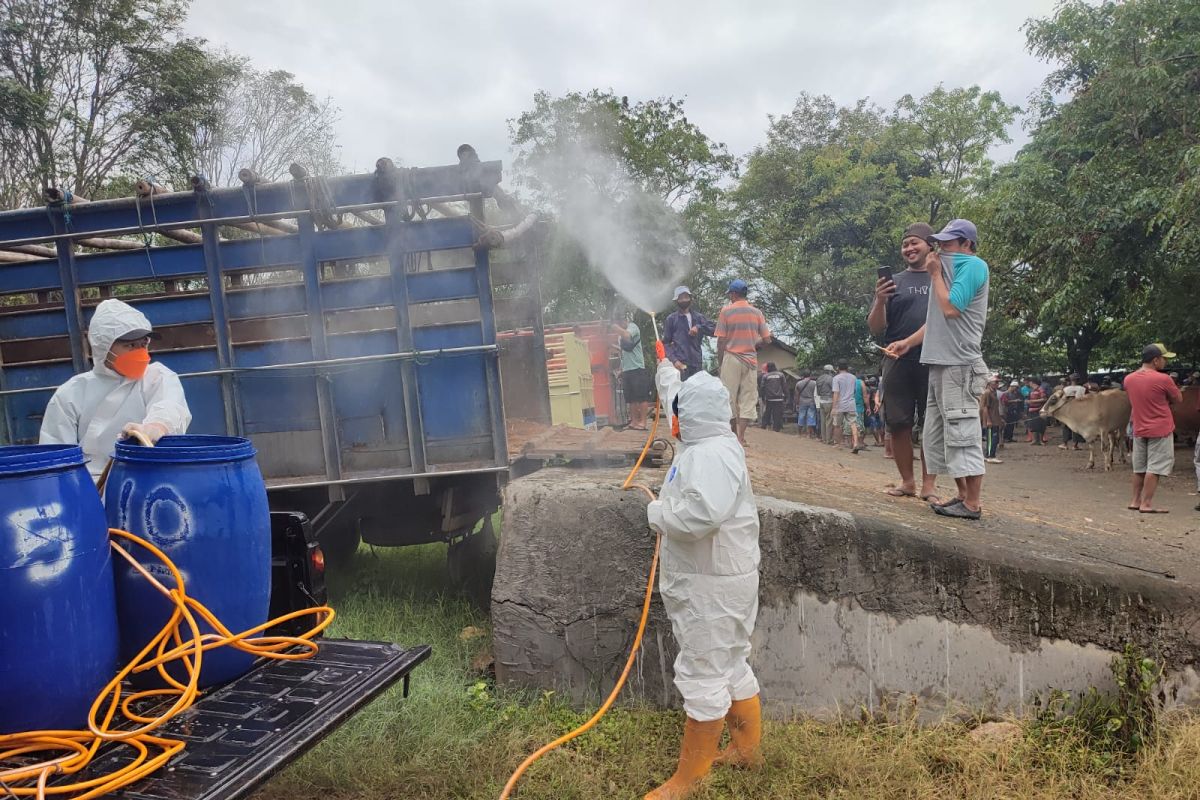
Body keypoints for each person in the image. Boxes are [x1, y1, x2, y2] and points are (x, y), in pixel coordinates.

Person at [645, 357, 762, 799]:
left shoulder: (708, 456)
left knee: (702, 671)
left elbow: (699, 515)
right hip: (721, 576)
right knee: (730, 662)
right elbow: (678, 398)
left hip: (710, 584)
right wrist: (665, 370)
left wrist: (658, 512)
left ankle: (689, 781)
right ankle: (747, 752)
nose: (671, 418)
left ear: (686, 418)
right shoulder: (714, 440)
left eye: (676, 412)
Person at [884, 219, 990, 520]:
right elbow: (936, 322)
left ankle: (972, 503)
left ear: (966, 245)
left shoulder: (973, 266)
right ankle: (961, 495)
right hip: (939, 362)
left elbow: (951, 309)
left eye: (948, 244)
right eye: (939, 244)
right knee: (940, 434)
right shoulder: (949, 270)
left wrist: (934, 274)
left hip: (959, 362)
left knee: (962, 431)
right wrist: (907, 341)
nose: (941, 250)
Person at [40, 298, 191, 481]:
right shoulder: (72, 392)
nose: (140, 352)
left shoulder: (157, 377)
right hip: (87, 486)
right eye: (129, 345)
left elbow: (170, 407)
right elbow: (56, 455)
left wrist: (155, 427)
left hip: (147, 478)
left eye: (143, 344)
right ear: (104, 347)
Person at [869, 222, 937, 500]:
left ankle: (929, 486)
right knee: (898, 422)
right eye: (905, 244)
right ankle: (907, 482)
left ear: (929, 245)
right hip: (896, 359)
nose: (909, 248)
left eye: (914, 243)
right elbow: (875, 328)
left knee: (932, 424)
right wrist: (880, 301)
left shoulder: (940, 278)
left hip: (934, 358)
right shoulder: (894, 281)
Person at [1125, 343, 1183, 514]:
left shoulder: (1129, 379)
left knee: (1139, 467)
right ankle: (1147, 504)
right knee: (1155, 468)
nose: (1165, 362)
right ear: (1156, 360)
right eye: (1164, 359)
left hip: (1139, 428)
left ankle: (1135, 501)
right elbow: (1178, 399)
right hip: (1160, 429)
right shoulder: (1164, 379)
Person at [715, 279, 771, 446]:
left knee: (728, 396)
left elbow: (721, 340)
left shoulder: (726, 311)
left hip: (731, 357)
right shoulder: (756, 313)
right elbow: (767, 339)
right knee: (748, 397)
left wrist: (720, 360)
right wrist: (753, 343)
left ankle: (732, 434)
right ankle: (741, 437)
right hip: (750, 360)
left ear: (733, 294)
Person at [661, 286, 715, 382]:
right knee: (681, 394)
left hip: (696, 363)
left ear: (690, 299)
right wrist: (675, 360)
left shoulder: (699, 317)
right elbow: (666, 343)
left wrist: (699, 327)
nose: (684, 300)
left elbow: (715, 330)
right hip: (681, 365)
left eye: (686, 297)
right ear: (676, 301)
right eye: (681, 298)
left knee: (697, 393)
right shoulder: (671, 319)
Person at [613, 312, 651, 430]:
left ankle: (643, 422)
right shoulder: (620, 335)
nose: (620, 323)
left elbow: (627, 336)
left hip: (637, 368)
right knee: (631, 398)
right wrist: (621, 369)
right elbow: (622, 353)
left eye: (621, 320)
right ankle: (634, 421)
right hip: (627, 370)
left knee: (642, 397)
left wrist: (616, 328)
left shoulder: (632, 327)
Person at [830, 361, 861, 453]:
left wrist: (834, 407)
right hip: (851, 403)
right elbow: (854, 390)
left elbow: (836, 393)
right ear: (847, 368)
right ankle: (855, 443)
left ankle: (838, 444)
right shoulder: (853, 377)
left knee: (837, 425)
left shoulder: (836, 378)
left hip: (840, 405)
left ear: (838, 368)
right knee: (853, 423)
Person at [1058, 374, 1087, 450]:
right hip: (1078, 409)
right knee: (1076, 427)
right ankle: (1075, 445)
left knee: (1065, 426)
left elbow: (1063, 399)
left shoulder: (1065, 389)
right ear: (1078, 380)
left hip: (1068, 409)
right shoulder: (1083, 388)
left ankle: (1065, 444)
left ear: (1070, 380)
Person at [980, 374, 1004, 464]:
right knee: (992, 438)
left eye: (998, 382)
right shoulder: (987, 393)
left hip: (995, 419)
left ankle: (988, 455)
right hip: (990, 420)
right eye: (996, 382)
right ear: (990, 383)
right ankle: (991, 456)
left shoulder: (994, 392)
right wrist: (988, 420)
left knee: (995, 438)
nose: (997, 384)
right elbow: (985, 408)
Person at [759, 362, 786, 433]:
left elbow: (762, 387)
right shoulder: (781, 375)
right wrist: (786, 395)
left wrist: (762, 396)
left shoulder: (765, 376)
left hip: (769, 398)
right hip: (779, 398)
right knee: (777, 414)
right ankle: (776, 429)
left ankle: (763, 426)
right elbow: (784, 386)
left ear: (767, 368)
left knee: (767, 412)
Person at [793, 371, 818, 438]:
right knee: (811, 417)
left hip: (802, 402)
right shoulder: (814, 383)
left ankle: (799, 433)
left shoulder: (799, 383)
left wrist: (797, 403)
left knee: (801, 416)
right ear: (810, 375)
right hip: (812, 402)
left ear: (803, 375)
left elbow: (797, 395)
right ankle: (808, 434)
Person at [815, 364, 835, 444]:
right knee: (829, 421)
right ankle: (828, 440)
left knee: (823, 421)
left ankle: (823, 439)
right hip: (829, 401)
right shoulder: (831, 378)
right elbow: (834, 390)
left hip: (821, 401)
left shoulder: (819, 378)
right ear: (830, 371)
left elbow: (817, 391)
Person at [1026, 379, 1048, 446]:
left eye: (1030, 382)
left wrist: (1033, 401)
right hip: (1031, 409)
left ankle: (1041, 440)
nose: (1029, 384)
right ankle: (1035, 440)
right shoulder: (1031, 390)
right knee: (1033, 425)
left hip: (1039, 409)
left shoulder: (1040, 389)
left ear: (1033, 383)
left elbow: (1044, 399)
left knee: (1040, 425)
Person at [865, 377, 885, 447]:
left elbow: (868, 399)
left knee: (873, 426)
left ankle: (878, 441)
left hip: (872, 409)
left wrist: (868, 408)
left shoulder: (869, 390)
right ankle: (882, 441)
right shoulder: (878, 389)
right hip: (878, 408)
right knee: (880, 425)